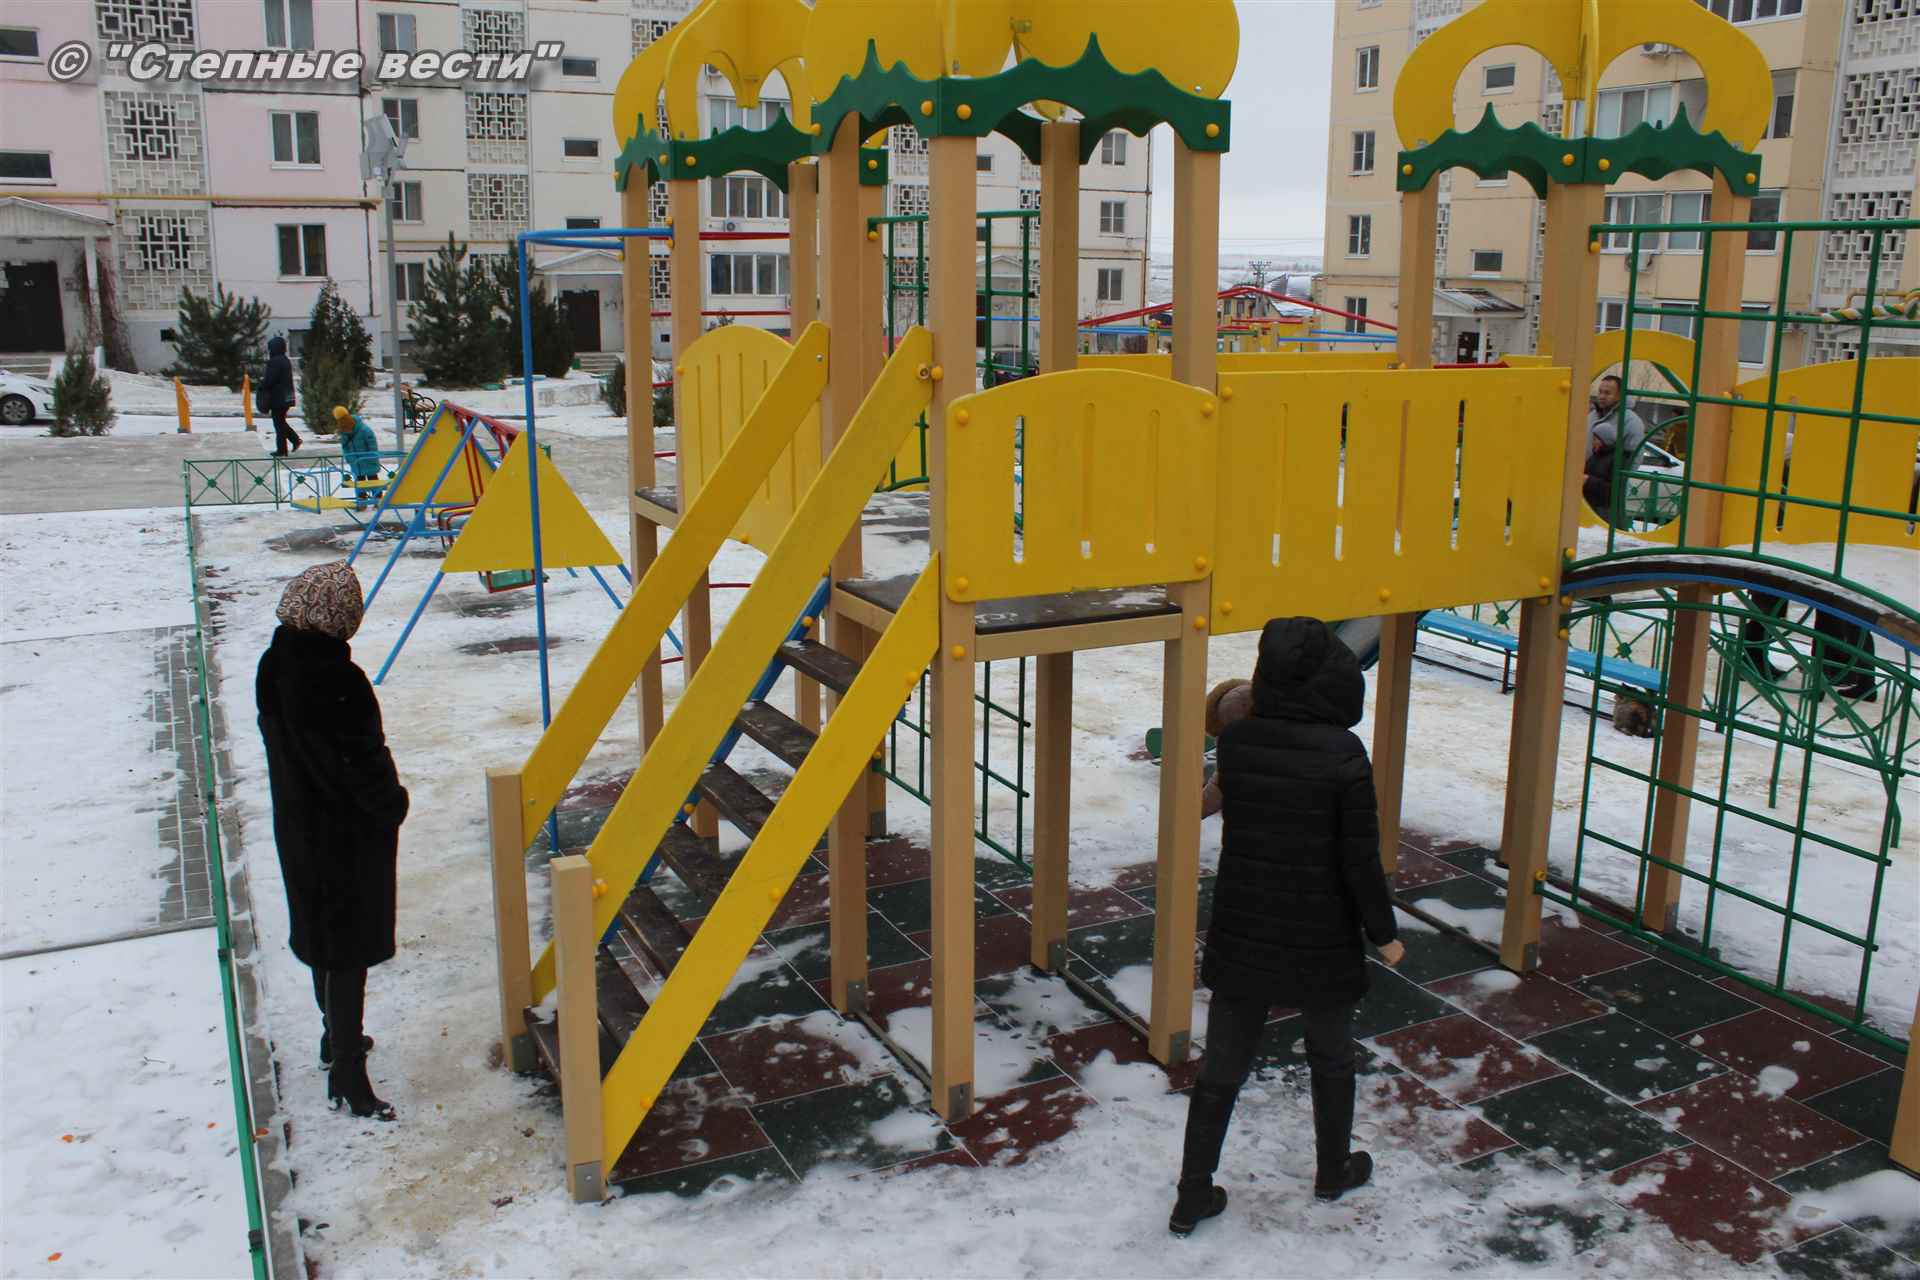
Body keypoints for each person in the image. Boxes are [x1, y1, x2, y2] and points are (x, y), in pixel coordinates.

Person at [1171, 617, 1405, 1237]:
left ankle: (1192, 1193)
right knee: (1331, 1054)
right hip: (1321, 935)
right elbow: (1360, 860)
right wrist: (1383, 931)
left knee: (1222, 1064)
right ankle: (1333, 1169)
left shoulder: (1239, 744)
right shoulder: (1344, 754)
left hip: (1244, 927)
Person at [257, 562, 409, 1121]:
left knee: (322, 937)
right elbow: (360, 762)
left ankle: (333, 1036)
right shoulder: (337, 681)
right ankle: (349, 1074)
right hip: (346, 837)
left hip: (300, 827)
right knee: (348, 951)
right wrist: (392, 802)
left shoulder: (275, 663)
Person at [1582, 375, 1648, 525]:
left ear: (1620, 395)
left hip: (1606, 490)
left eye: (1608, 393)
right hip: (1585, 483)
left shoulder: (1631, 421)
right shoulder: (1592, 415)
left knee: (1604, 525)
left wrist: (1619, 482)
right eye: (1600, 392)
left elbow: (1634, 456)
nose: (1602, 396)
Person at [331, 406, 383, 507]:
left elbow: (372, 445)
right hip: (356, 462)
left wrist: (371, 457)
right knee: (359, 481)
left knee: (373, 480)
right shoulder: (344, 432)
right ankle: (362, 501)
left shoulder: (364, 430)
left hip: (368, 460)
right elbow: (345, 447)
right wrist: (349, 458)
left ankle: (378, 500)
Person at [260, 334, 300, 456]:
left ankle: (283, 450)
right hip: (286, 397)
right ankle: (294, 441)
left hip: (278, 398)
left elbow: (270, 380)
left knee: (278, 423)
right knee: (280, 422)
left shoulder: (275, 361)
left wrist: (261, 386)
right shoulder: (285, 360)